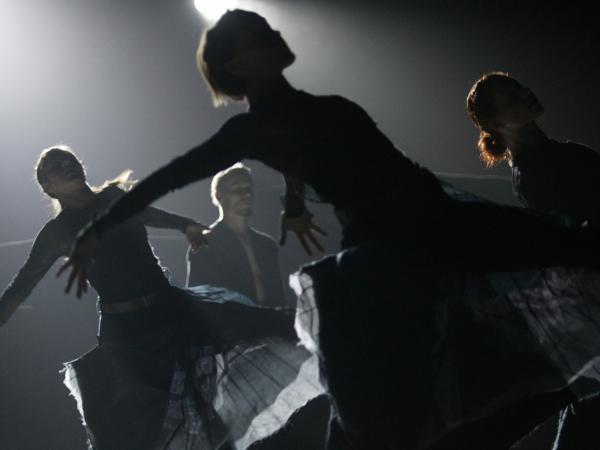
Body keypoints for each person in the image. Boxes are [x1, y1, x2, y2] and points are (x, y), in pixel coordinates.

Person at [59, 10, 600, 450]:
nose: (272, 33)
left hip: (444, 218)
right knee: (388, 411)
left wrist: (294, 201)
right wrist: (95, 230)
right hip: (398, 245)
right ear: (235, 65)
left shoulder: (322, 107)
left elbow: (309, 157)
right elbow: (174, 174)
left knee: (575, 256)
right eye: (255, 34)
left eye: (266, 25)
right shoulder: (253, 127)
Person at [0, 146, 322, 450]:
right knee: (139, 423)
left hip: (172, 310)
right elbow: (22, 285)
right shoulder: (56, 233)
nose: (65, 165)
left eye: (69, 159)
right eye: (55, 166)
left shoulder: (114, 196)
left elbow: (148, 214)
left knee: (251, 332)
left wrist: (185, 226)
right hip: (127, 333)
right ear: (47, 186)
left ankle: (326, 341)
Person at [467, 72, 600, 227]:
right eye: (511, 96)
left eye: (519, 87)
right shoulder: (533, 175)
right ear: (497, 123)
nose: (525, 92)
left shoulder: (549, 157)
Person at [186, 163, 288, 307]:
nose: (246, 194)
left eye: (249, 189)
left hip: (270, 324)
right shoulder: (205, 244)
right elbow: (199, 300)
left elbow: (279, 296)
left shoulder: (266, 244)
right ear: (218, 195)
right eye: (237, 189)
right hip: (233, 325)